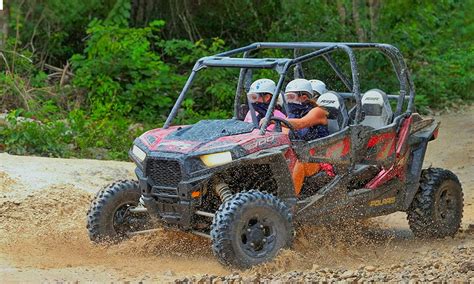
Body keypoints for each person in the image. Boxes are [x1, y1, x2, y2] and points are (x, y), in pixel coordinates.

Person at [284, 78, 334, 195]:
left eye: (291, 97)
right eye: (287, 97)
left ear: (304, 97)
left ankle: (290, 202)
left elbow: (301, 123)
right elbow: (284, 132)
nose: (288, 101)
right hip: (299, 154)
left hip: (319, 158)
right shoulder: (292, 115)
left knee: (302, 162)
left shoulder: (318, 111)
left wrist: (272, 121)